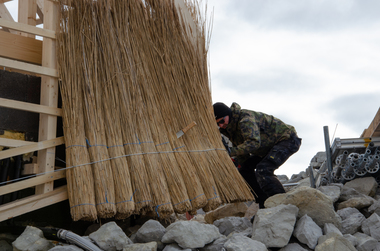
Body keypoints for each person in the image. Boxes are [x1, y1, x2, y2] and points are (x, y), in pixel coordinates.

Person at [213, 102, 301, 208]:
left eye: (222, 121)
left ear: (228, 114)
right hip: (266, 148)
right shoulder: (230, 129)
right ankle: (264, 204)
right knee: (245, 170)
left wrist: (231, 151)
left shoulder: (245, 120)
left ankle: (282, 205)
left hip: (287, 140)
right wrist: (239, 163)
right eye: (218, 124)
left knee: (263, 169)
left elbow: (253, 143)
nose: (221, 125)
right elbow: (242, 152)